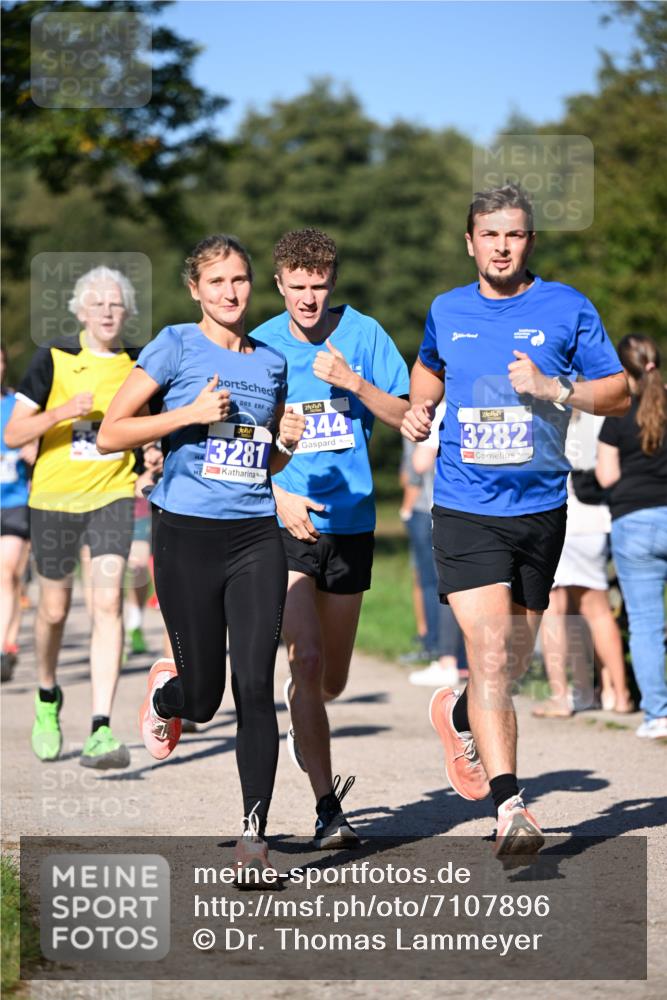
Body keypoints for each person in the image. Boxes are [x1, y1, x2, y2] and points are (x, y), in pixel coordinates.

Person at [401, 183, 629, 860]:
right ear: (469, 242)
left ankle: (459, 711)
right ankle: (510, 807)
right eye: (489, 235)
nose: (501, 247)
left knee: (510, 661)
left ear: (529, 242)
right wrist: (418, 409)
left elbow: (618, 392)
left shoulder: (567, 306)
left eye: (514, 235)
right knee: (495, 653)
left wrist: (555, 388)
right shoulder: (447, 309)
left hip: (540, 509)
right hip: (465, 506)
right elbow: (427, 369)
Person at [97, 234, 305, 875]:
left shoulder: (271, 363)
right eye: (216, 281)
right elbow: (110, 432)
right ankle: (169, 698)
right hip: (186, 536)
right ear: (196, 289)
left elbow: (260, 463)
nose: (230, 292)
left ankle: (253, 836)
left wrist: (286, 445)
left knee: (255, 685)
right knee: (205, 699)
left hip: (255, 537)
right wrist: (185, 413)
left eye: (239, 279)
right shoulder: (175, 345)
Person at [253, 228, 409, 848]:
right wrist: (276, 490)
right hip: (287, 520)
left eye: (318, 286)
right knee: (307, 658)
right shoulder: (260, 345)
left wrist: (354, 383)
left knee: (330, 682)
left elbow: (409, 418)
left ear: (332, 282)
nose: (308, 299)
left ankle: (305, 710)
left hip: (351, 523)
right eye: (297, 286)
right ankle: (328, 809)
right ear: (279, 284)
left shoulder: (365, 336)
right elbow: (231, 443)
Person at [5, 267, 142, 768]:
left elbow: (151, 426)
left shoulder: (139, 363)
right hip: (54, 500)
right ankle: (47, 694)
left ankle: (101, 727)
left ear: (127, 312)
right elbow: (14, 434)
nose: (107, 311)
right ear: (81, 311)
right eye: (97, 304)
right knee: (54, 610)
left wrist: (150, 459)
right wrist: (61, 412)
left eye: (115, 304)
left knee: (107, 603)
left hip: (112, 496)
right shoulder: (54, 356)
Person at [533, 410, 633, 718]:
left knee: (554, 611)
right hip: (595, 521)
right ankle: (618, 694)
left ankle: (561, 696)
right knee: (597, 611)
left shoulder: (544, 414)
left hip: (556, 519)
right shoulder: (602, 415)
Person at [597, 334, 667, 740]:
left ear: (625, 371)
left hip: (635, 523)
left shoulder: (618, 414)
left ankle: (658, 715)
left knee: (645, 624)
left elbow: (607, 476)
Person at [1, 346, 36, 683]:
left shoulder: (17, 405)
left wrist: (33, 445)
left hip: (14, 501)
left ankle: (4, 645)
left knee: (7, 571)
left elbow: (39, 435)